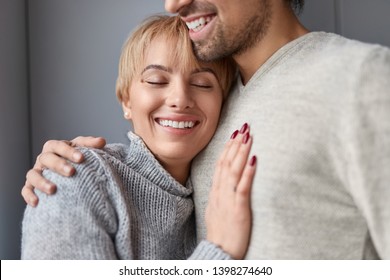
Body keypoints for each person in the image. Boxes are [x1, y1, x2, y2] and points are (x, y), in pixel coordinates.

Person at [22, 0, 390, 259]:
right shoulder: (217, 106)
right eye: (157, 80)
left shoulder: (361, 79)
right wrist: (76, 176)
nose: (174, 3)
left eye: (200, 84)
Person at [21, 15, 257, 260]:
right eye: (157, 80)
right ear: (126, 101)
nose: (180, 99)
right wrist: (219, 251)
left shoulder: (209, 193)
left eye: (202, 83)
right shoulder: (74, 179)